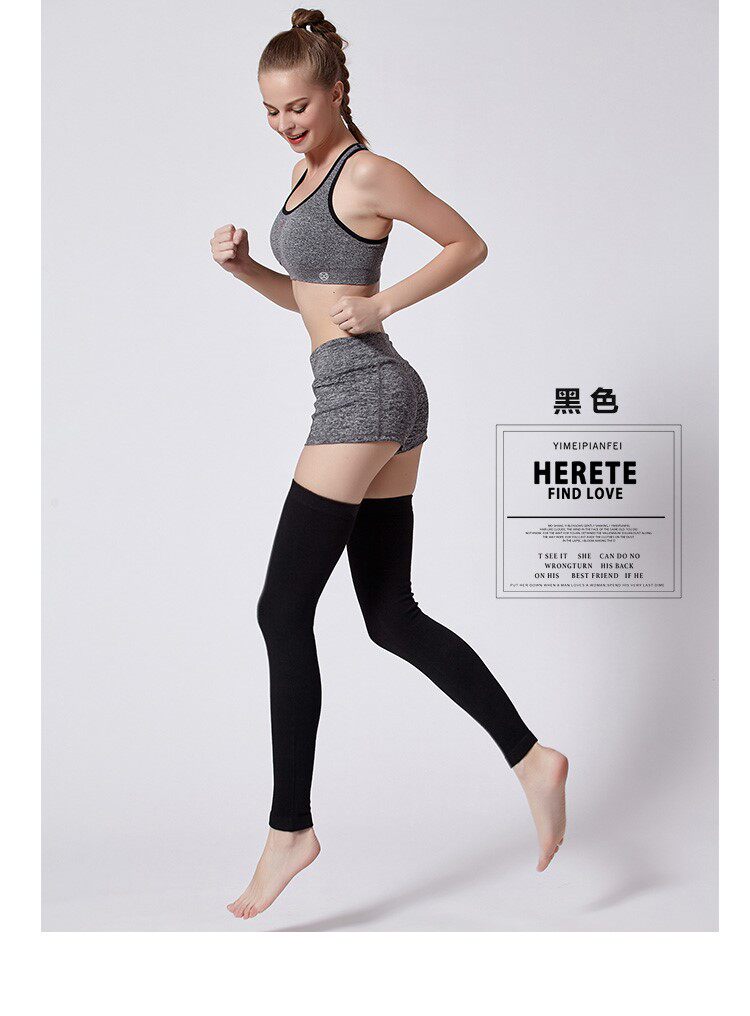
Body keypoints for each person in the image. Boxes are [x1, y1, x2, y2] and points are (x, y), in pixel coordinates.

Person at [211, 8, 568, 921]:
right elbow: (310, 299)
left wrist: (384, 305)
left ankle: (291, 828)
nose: (285, 123)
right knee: (390, 614)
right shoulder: (304, 175)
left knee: (281, 609)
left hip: (364, 397)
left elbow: (467, 243)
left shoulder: (366, 170)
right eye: (270, 111)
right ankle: (532, 757)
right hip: (369, 394)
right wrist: (247, 269)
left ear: (336, 91)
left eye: (298, 106)